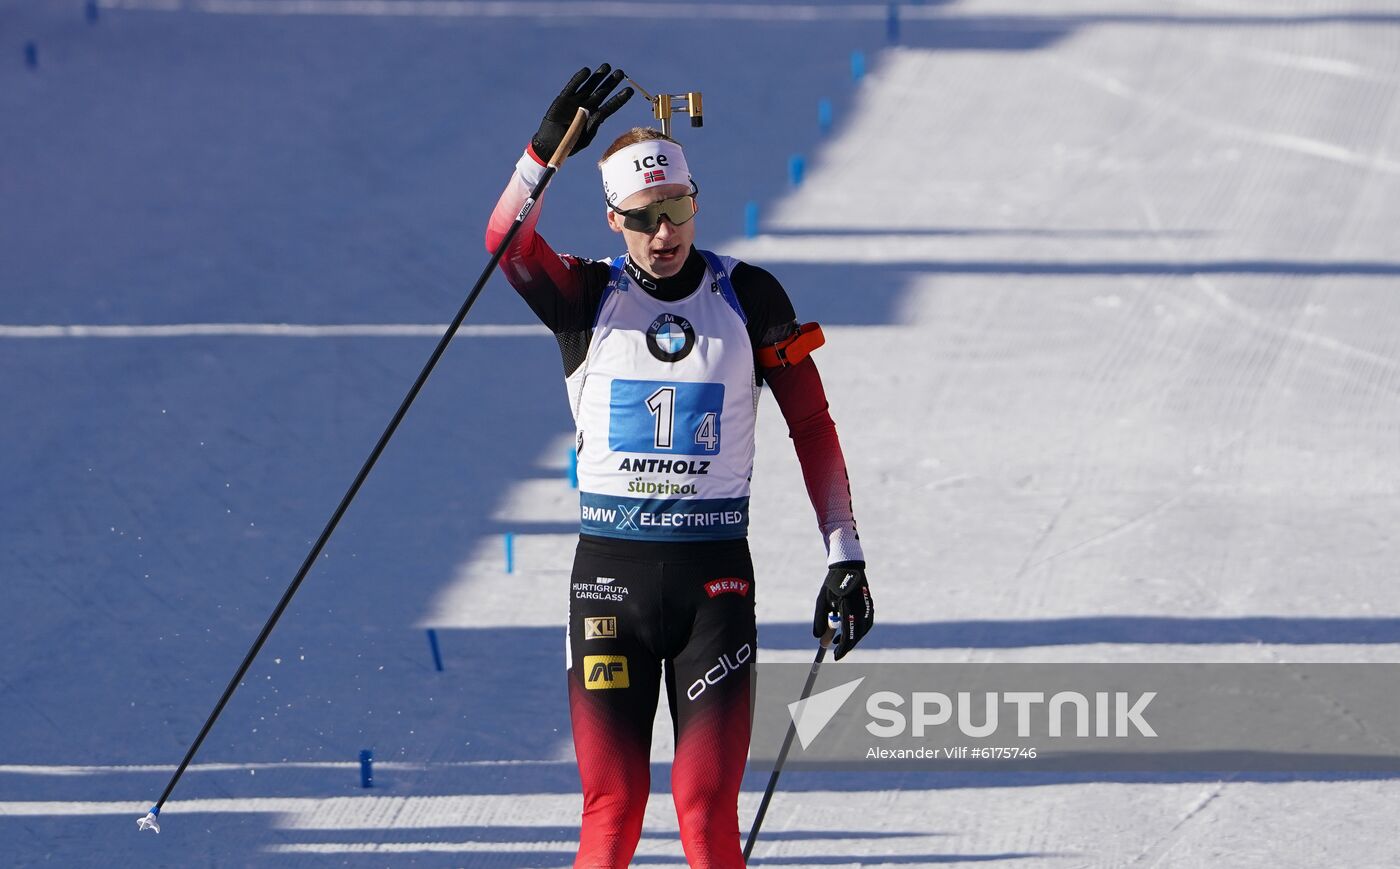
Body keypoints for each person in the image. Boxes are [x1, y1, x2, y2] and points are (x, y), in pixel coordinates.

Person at [484, 64, 875, 869]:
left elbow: (811, 423)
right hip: (608, 587)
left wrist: (846, 555)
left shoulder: (751, 296)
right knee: (613, 807)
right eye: (644, 218)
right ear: (613, 219)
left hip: (714, 593)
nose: (665, 234)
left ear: (695, 201)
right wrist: (541, 155)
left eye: (679, 210)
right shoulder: (585, 298)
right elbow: (505, 243)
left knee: (704, 813)